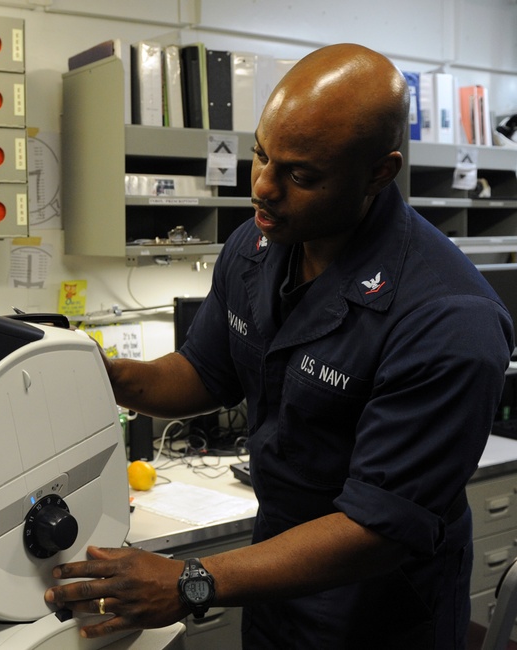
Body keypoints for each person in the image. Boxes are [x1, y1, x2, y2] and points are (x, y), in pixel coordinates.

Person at [45, 43, 515, 649]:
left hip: (378, 609)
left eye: (301, 175)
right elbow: (204, 371)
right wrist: (97, 375)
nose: (263, 188)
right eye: (261, 156)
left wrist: (192, 579)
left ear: (379, 171)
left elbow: (378, 528)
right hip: (274, 578)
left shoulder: (450, 319)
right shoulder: (260, 244)